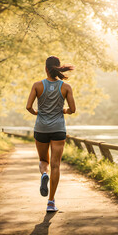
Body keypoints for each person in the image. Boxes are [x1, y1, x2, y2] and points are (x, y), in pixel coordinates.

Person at [26, 56, 76, 212]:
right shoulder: (66, 87)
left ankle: (43, 175)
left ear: (46, 68)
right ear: (58, 68)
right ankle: (51, 202)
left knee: (43, 160)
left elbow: (28, 107)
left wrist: (37, 113)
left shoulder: (37, 85)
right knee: (56, 165)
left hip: (41, 128)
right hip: (58, 129)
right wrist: (64, 110)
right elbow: (73, 109)